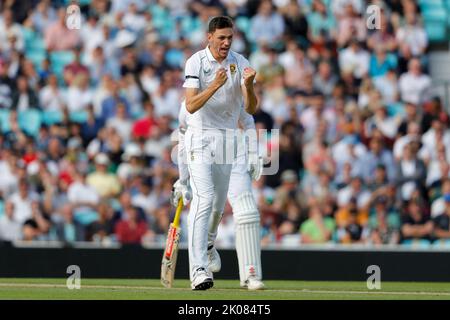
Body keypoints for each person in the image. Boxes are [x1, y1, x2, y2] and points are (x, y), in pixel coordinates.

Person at [181, 16, 258, 290]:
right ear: (209, 37)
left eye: (230, 38)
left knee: (217, 206)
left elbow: (249, 110)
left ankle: (209, 242)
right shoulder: (196, 62)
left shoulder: (241, 62)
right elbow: (190, 106)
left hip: (227, 140)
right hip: (200, 137)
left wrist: (247, 86)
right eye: (221, 38)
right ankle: (199, 270)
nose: (226, 43)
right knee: (204, 198)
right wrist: (214, 84)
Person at [173, 100, 265, 290]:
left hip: (233, 150)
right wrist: (182, 180)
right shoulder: (189, 104)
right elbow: (183, 138)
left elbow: (248, 121)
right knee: (205, 203)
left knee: (247, 211)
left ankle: (251, 273)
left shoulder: (235, 95)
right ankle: (199, 268)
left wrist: (254, 153)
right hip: (203, 152)